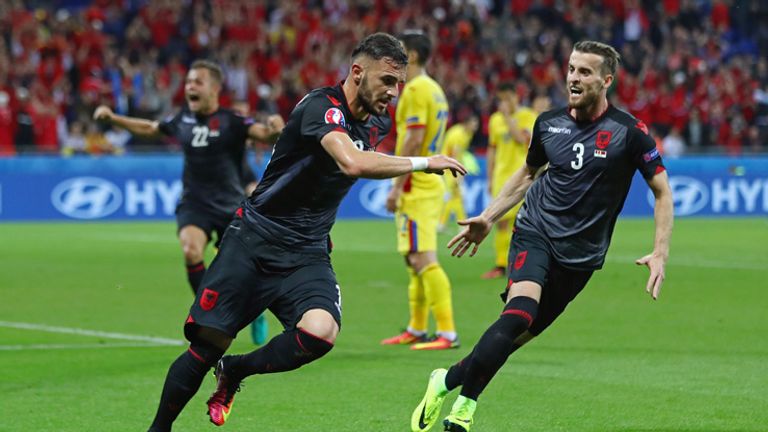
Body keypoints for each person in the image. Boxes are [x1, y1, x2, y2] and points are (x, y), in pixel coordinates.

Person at [144, 33, 466, 432]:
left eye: (398, 83)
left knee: (321, 331)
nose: (393, 92)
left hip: (307, 250)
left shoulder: (377, 122)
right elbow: (351, 162)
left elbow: (363, 157)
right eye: (386, 80)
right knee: (208, 346)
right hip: (255, 238)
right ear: (357, 72)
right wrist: (423, 162)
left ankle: (235, 372)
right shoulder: (321, 106)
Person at [410, 41, 673, 432]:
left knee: (512, 337)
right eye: (571, 69)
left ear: (607, 80)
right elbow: (527, 174)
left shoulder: (629, 133)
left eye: (584, 72)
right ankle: (464, 410)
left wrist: (659, 252)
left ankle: (444, 380)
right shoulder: (548, 123)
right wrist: (488, 216)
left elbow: (663, 192)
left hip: (581, 257)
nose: (573, 78)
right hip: (536, 230)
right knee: (519, 313)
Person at [93, 60, 284, 298]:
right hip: (195, 203)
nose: (190, 87)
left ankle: (252, 309)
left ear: (214, 89)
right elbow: (149, 128)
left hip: (231, 204)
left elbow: (266, 134)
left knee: (238, 268)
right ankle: (205, 312)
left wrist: (276, 128)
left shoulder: (231, 121)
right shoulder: (182, 119)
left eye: (197, 82)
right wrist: (113, 118)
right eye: (188, 82)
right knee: (191, 250)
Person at [380, 31, 460, 351]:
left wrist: (397, 186)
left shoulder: (414, 89)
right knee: (413, 258)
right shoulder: (434, 89)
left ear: (411, 56)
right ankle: (417, 326)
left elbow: (413, 139)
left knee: (423, 257)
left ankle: (447, 332)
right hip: (427, 179)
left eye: (399, 53)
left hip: (418, 181)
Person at [481, 82, 538, 280]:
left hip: (522, 178)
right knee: (500, 223)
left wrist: (507, 117)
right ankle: (500, 265)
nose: (504, 102)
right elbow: (492, 148)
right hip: (501, 177)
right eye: (501, 99)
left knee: (521, 223)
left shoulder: (528, 116)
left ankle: (520, 264)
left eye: (508, 98)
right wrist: (489, 176)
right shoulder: (494, 120)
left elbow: (521, 139)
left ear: (516, 96)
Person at [439, 113, 479, 231]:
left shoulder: (467, 134)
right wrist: (457, 175)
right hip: (448, 167)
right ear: (466, 123)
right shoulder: (458, 135)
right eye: (473, 123)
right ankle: (458, 224)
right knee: (454, 195)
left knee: (455, 197)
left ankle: (446, 224)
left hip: (452, 166)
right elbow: (454, 154)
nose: (476, 126)